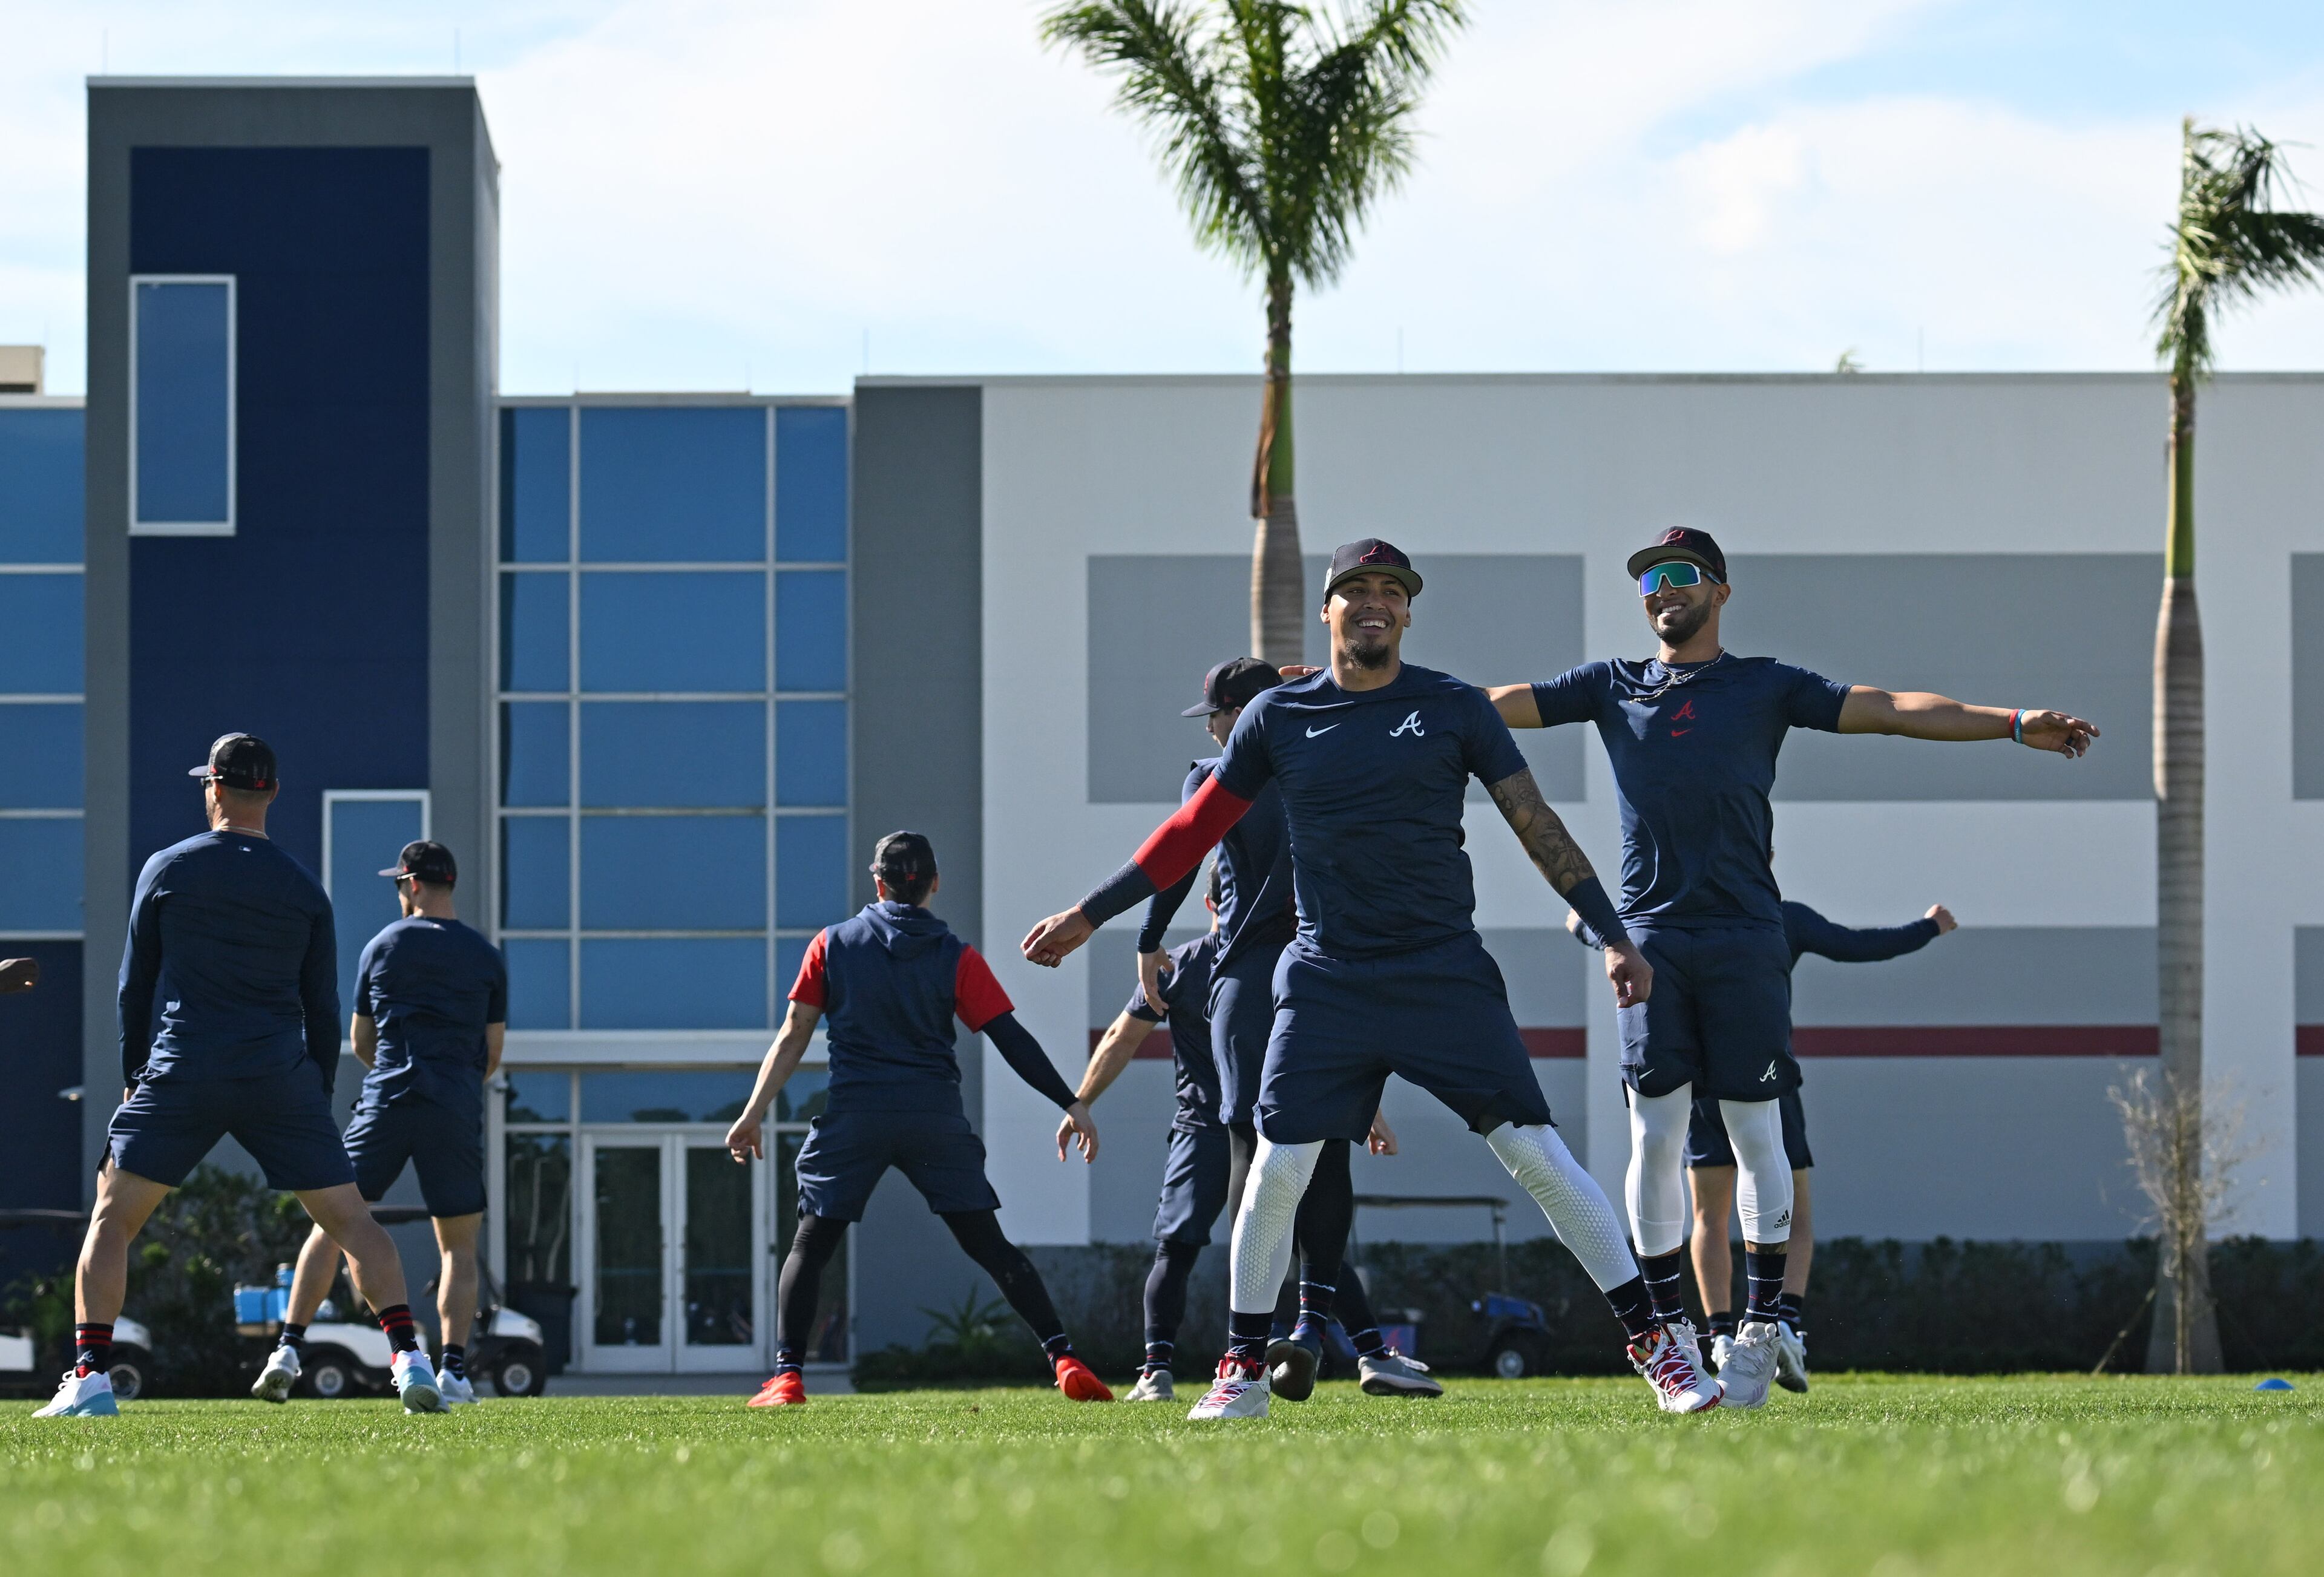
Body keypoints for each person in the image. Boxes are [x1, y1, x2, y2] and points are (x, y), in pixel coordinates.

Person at [1025, 539, 1715, 1420]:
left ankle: (1658, 1346)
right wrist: (1092, 913)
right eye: (1357, 590)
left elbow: (1534, 821)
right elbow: (1191, 833)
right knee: (1278, 1168)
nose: (1375, 602)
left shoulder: (1454, 705)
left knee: (1535, 1154)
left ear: (1410, 611)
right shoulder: (1278, 715)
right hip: (1326, 981)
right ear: (1329, 610)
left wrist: (1616, 935)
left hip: (1444, 973)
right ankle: (1240, 1370)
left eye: (1392, 590)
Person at [1488, 526, 2096, 1408]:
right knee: (1655, 1137)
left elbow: (1890, 707)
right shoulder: (1608, 687)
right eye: (1651, 579)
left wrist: (2009, 723)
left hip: (1746, 937)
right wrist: (1361, 693)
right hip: (1653, 937)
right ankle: (1672, 1344)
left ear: (1720, 591)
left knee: (1756, 1132)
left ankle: (1763, 1329)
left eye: (1682, 576)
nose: (1663, 590)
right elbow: (1488, 703)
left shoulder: (1767, 685)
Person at [38, 735, 444, 1417]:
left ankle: (90, 1377)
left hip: (184, 1063)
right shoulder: (304, 885)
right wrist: (311, 1092)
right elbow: (321, 1004)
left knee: (112, 1217)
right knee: (352, 1219)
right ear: (274, 793)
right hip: (277, 1072)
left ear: (214, 789)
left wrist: (135, 1072)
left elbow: (133, 987)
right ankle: (410, 1359)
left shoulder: (167, 867)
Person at [1128, 657, 1434, 1402]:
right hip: (1330, 970)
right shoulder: (1322, 756)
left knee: (1251, 1151)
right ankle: (1312, 1324)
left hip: (1248, 978)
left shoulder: (1211, 773)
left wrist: (1148, 937)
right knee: (1325, 1153)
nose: (1211, 726)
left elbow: (1181, 849)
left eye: (1216, 712)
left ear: (1241, 713)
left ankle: (1250, 1347)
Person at [726, 831, 1113, 1406]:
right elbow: (1010, 1038)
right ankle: (1064, 1358)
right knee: (990, 1245)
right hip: (933, 1117)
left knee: (811, 1244)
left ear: (877, 883)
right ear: (934, 884)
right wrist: (1072, 1102)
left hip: (856, 1115)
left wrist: (753, 1113)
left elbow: (795, 1035)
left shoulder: (831, 946)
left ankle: (787, 1377)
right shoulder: (956, 956)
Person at [1568, 897, 1957, 1391]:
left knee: (1709, 1215)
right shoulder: (1775, 916)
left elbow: (1619, 938)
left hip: (1696, 1088)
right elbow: (1855, 945)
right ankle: (1781, 1326)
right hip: (1761, 1079)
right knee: (1792, 1210)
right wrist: (1927, 928)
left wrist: (1583, 922)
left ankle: (1722, 1335)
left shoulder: (1667, 910)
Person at [1075, 870, 1432, 1401]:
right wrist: (1080, 1101)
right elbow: (1124, 1039)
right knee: (1231, 1244)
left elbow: (1123, 1039)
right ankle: (1170, 1370)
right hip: (1231, 1123)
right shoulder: (1217, 963)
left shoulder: (1204, 962)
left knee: (1283, 1244)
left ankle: (1354, 1354)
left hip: (1235, 1123)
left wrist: (1080, 1102)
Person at [254, 841, 507, 1406]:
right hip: (455, 1106)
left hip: (388, 1099)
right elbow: (492, 1054)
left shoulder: (383, 946)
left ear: (413, 885)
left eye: (399, 885)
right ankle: (454, 1373)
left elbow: (361, 1041)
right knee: (458, 1249)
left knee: (334, 1223)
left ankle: (288, 1352)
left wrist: (396, 1072)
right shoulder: (486, 957)